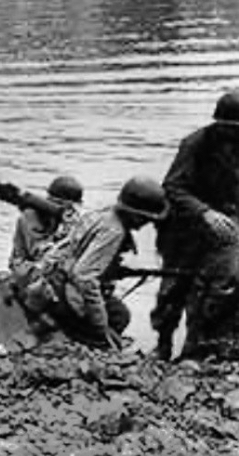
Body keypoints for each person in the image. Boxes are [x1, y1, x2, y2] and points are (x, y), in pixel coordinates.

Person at [25, 176, 169, 350]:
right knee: (118, 318)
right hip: (61, 293)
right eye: (146, 219)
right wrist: (100, 322)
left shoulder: (102, 215)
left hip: (51, 282)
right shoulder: (114, 232)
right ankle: (73, 335)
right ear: (136, 215)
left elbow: (73, 253)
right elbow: (84, 277)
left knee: (114, 312)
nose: (146, 224)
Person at [156, 91, 239, 359]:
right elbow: (172, 187)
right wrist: (204, 212)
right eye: (229, 129)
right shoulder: (195, 144)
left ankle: (200, 348)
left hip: (225, 229)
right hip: (184, 228)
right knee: (173, 290)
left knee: (217, 287)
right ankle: (163, 345)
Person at [7, 175, 83, 296]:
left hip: (49, 268)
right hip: (26, 268)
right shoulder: (30, 216)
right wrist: (64, 235)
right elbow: (38, 251)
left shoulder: (69, 219)